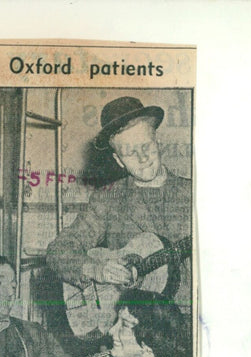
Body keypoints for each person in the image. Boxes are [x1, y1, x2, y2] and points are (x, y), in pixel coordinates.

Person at [46, 96, 192, 329]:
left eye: (146, 147)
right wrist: (96, 269)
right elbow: (58, 250)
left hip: (187, 323)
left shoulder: (196, 195)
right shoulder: (108, 199)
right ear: (118, 160)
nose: (143, 158)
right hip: (130, 328)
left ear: (158, 142)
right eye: (130, 152)